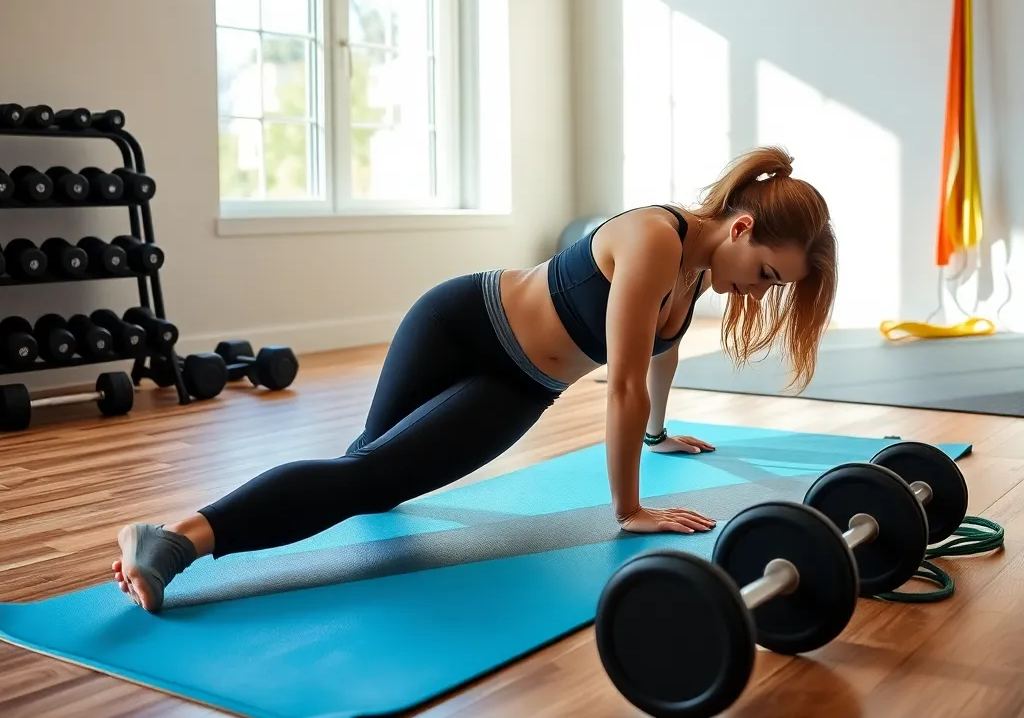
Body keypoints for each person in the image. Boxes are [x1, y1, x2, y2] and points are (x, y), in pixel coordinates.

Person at [113, 145, 837, 612]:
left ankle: (179, 538)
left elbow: (659, 350)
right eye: (769, 274)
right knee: (367, 475)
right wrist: (629, 509)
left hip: (518, 384)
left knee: (373, 476)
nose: (762, 291)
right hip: (460, 321)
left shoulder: (699, 272)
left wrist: (659, 434)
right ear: (741, 229)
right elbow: (621, 382)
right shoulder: (655, 237)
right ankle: (171, 540)